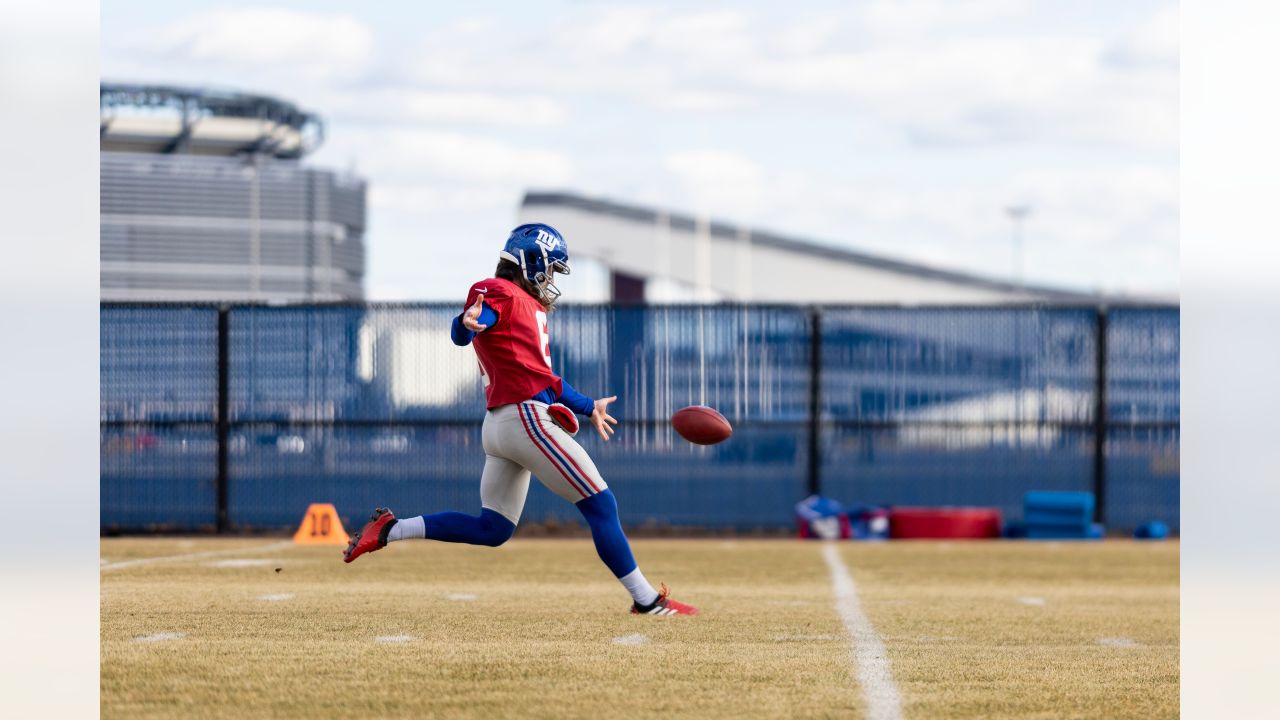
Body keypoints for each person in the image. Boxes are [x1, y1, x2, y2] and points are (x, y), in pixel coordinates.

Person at [343, 223, 698, 617]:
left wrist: (588, 405)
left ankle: (391, 528)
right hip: (523, 418)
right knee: (601, 503)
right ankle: (647, 600)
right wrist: (466, 324)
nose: (550, 280)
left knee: (492, 529)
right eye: (549, 270)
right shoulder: (500, 291)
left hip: (501, 425)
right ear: (531, 262)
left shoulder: (526, 304)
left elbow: (545, 378)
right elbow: (469, 325)